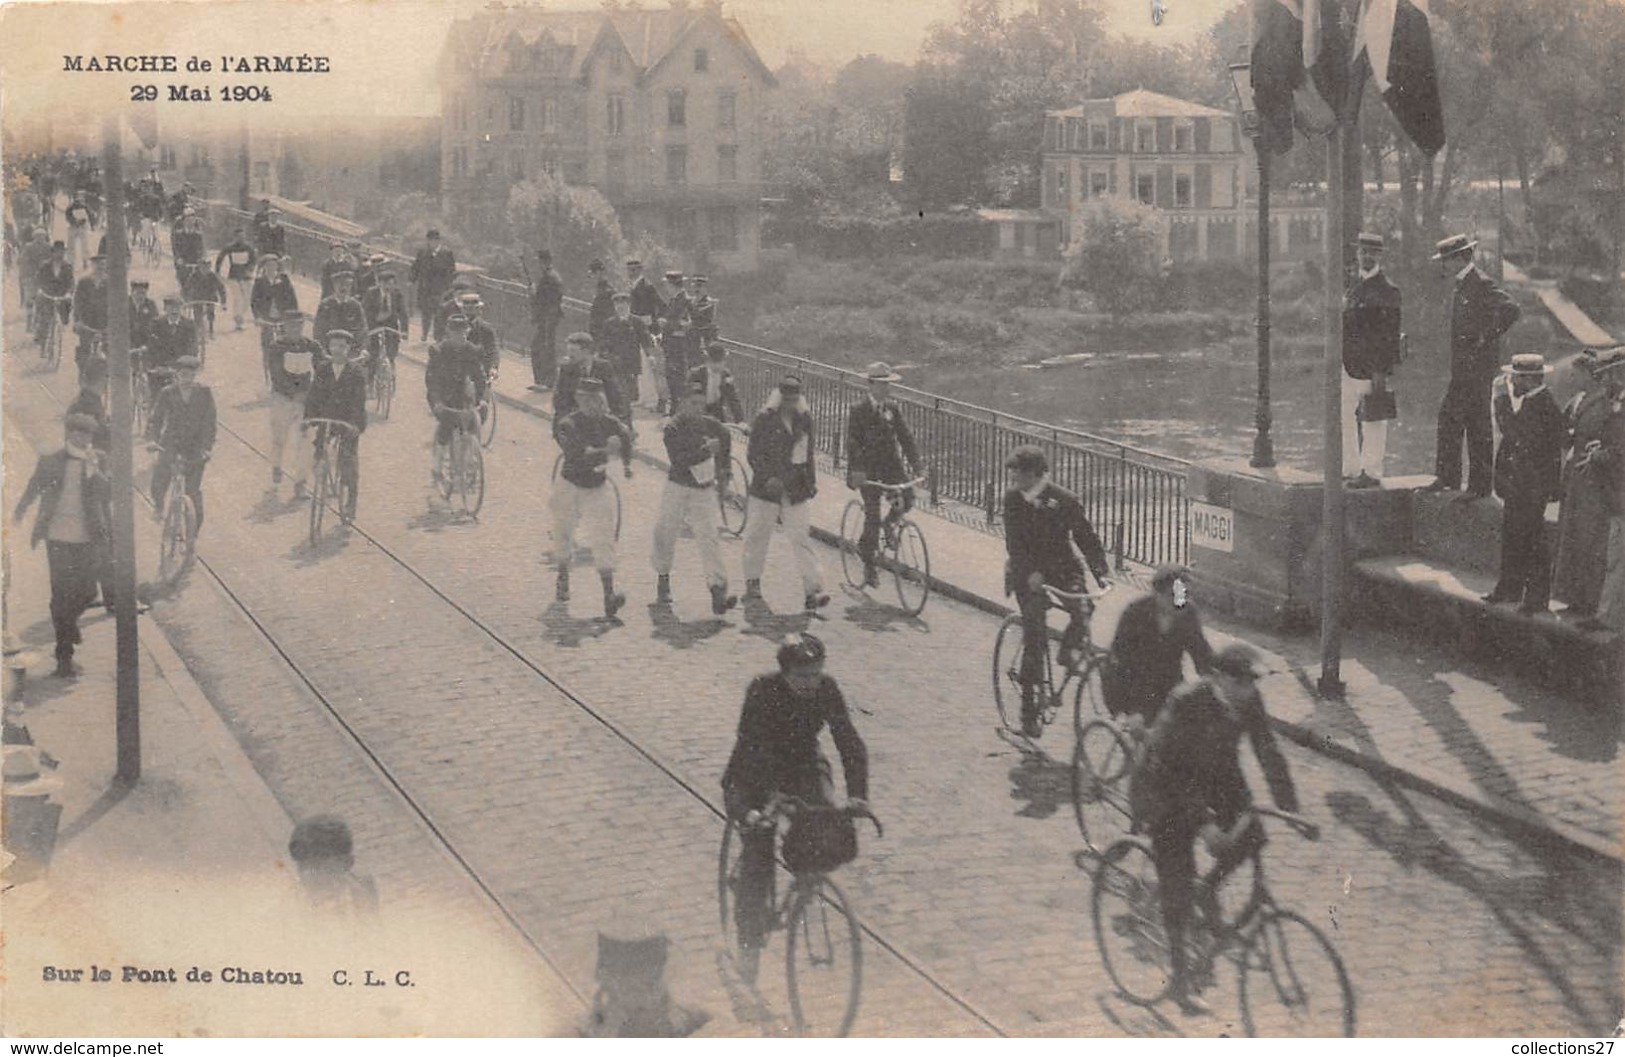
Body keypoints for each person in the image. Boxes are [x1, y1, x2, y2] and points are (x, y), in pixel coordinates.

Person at [1129, 643, 1303, 1016]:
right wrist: (1205, 823)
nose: (1249, 689)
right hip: (1164, 789)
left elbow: (1267, 749)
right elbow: (1170, 769)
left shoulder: (1248, 701)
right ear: (1220, 678)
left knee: (1252, 832)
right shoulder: (1187, 701)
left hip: (1216, 779)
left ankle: (1207, 891)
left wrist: (1293, 811)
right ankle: (1178, 982)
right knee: (1177, 881)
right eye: (1241, 681)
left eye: (1253, 682)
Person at [720, 633, 869, 983]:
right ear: (784, 673)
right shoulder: (762, 690)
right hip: (756, 770)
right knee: (759, 847)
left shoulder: (826, 689)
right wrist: (759, 806)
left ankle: (806, 877)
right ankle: (748, 945)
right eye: (802, 676)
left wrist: (859, 795)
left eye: (816, 674)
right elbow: (748, 749)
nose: (810, 683)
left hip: (803, 764)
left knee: (824, 820)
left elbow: (848, 741)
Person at [1001, 444, 1112, 738]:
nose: (1014, 478)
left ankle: (1067, 651)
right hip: (1027, 575)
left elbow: (1086, 538)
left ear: (1036, 474)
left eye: (1020, 473)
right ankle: (1027, 711)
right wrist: (1030, 573)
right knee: (1035, 634)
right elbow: (1014, 545)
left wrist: (1102, 574)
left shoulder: (1065, 500)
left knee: (1085, 608)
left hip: (1063, 569)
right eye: (1013, 472)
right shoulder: (1012, 500)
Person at [13, 413, 111, 678]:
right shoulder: (52, 461)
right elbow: (34, 487)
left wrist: (95, 472)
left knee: (89, 592)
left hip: (87, 537)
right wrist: (20, 511)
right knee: (60, 595)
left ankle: (68, 625)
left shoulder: (98, 459)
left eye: (88, 435)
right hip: (57, 537)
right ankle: (64, 656)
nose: (83, 439)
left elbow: (108, 494)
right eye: (78, 433)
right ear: (69, 434)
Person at [1423, 234, 1522, 498]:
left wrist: (1486, 335)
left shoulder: (1479, 282)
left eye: (1446, 260)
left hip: (1477, 368)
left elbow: (1511, 309)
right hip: (1464, 368)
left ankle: (1476, 485)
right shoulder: (1463, 284)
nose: (1443, 265)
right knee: (1453, 418)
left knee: (1474, 422)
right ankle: (1450, 478)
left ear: (1459, 258)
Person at [1482, 354, 1565, 615]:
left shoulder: (1542, 405)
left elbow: (1514, 432)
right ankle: (1510, 588)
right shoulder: (1535, 402)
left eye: (1516, 377)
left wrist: (1500, 399)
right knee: (1514, 536)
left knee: (1532, 541)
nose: (1511, 382)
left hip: (1531, 488)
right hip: (1522, 485)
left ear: (1529, 379)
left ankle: (1536, 598)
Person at [653, 371, 739, 615]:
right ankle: (663, 578)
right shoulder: (672, 428)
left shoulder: (712, 426)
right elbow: (679, 460)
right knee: (664, 532)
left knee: (709, 538)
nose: (698, 408)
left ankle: (717, 590)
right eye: (693, 403)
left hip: (703, 489)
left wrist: (725, 473)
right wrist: (705, 450)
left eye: (702, 404)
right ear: (682, 403)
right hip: (678, 487)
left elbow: (725, 439)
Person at [741, 374, 829, 613]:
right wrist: (767, 476)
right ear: (780, 398)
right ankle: (752, 581)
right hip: (766, 488)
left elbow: (807, 454)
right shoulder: (764, 419)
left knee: (800, 537)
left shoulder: (805, 420)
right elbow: (754, 454)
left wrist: (810, 482)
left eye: (794, 399)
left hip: (795, 487)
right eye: (787, 399)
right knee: (758, 534)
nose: (791, 404)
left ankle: (813, 590)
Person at [1554, 348, 1625, 630]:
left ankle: (1597, 609)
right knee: (1584, 541)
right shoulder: (1604, 401)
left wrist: (1597, 454)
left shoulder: (1610, 404)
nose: (1606, 378)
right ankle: (1586, 603)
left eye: (1608, 373)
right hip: (1588, 479)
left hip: (1601, 485)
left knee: (1598, 545)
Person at [552, 376, 634, 618]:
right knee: (564, 531)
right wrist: (607, 451)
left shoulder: (609, 423)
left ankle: (608, 593)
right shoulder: (569, 424)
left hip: (596, 487)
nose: (592, 405)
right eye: (586, 400)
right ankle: (563, 574)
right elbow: (578, 454)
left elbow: (626, 438)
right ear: (578, 400)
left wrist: (627, 460)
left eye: (597, 400)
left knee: (603, 536)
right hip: (570, 485)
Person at [845, 361, 922, 589]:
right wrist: (857, 469)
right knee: (872, 516)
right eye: (881, 385)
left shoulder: (892, 408)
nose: (886, 389)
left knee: (907, 498)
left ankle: (889, 525)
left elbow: (905, 437)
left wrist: (917, 465)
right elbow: (852, 442)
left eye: (888, 385)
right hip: (867, 471)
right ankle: (868, 564)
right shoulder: (858, 410)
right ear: (870, 385)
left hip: (891, 467)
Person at [1105, 564, 1213, 725]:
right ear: (1157, 593)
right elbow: (1118, 662)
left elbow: (1201, 653)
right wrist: (1126, 710)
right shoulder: (1135, 613)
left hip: (1169, 684)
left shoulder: (1187, 613)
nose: (1179, 602)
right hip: (1133, 687)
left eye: (1184, 595)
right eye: (1172, 595)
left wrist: (1216, 685)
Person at [1341, 232, 1403, 488]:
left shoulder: (1388, 290)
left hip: (1371, 367)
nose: (1367, 256)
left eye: (1372, 252)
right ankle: (1351, 467)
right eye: (1363, 251)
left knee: (1374, 418)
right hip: (1348, 364)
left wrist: (1381, 371)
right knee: (1344, 416)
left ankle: (1372, 471)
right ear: (1357, 254)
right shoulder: (1353, 286)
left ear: (1380, 255)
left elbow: (1389, 335)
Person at [146, 355, 217, 532]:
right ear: (176, 375)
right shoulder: (167, 393)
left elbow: (210, 422)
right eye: (183, 374)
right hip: (171, 442)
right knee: (161, 474)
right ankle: (159, 505)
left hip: (196, 446)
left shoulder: (204, 393)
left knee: (193, 493)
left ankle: (193, 538)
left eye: (190, 375)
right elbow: (156, 419)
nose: (186, 379)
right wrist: (153, 440)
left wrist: (207, 448)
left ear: (196, 375)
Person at [304, 330, 369, 523]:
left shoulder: (356, 372)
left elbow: (359, 401)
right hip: (328, 419)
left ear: (348, 349)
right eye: (334, 346)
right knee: (319, 450)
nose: (337, 350)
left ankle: (351, 499)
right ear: (329, 348)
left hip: (349, 422)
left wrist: (355, 425)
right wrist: (309, 418)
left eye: (342, 346)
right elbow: (314, 395)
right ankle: (321, 478)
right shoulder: (323, 369)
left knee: (349, 461)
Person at [425, 314, 487, 488]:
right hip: (442, 394)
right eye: (456, 333)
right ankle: (437, 466)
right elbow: (432, 380)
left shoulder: (472, 350)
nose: (461, 336)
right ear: (449, 332)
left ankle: (470, 456)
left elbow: (480, 377)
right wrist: (437, 401)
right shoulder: (438, 351)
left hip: (462, 395)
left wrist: (482, 399)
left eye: (464, 332)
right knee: (447, 422)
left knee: (475, 420)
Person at [267, 313, 319, 498]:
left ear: (303, 325)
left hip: (303, 401)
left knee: (304, 441)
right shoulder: (276, 347)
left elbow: (321, 369)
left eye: (298, 325)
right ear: (284, 327)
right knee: (279, 438)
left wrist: (311, 393)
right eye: (290, 326)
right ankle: (276, 466)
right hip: (282, 398)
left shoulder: (311, 346)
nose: (295, 330)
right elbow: (276, 375)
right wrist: (293, 393)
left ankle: (300, 482)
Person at [287, 815, 379, 918]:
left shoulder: (362, 890)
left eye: (319, 865)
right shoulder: (289, 903)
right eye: (302, 864)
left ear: (346, 862)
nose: (307, 873)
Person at [553, 332, 629, 427]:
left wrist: (619, 422)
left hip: (601, 419)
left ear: (586, 351)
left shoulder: (604, 367)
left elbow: (616, 396)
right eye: (568, 351)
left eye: (573, 351)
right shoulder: (566, 368)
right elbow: (560, 399)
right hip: (576, 421)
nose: (569, 355)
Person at [598, 291, 653, 407]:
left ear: (629, 305)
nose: (620, 308)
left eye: (623, 305)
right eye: (617, 305)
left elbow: (645, 339)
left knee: (631, 386)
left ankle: (628, 406)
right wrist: (604, 355)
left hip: (631, 359)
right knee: (616, 385)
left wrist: (650, 355)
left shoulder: (636, 322)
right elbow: (603, 342)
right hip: (614, 359)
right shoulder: (609, 323)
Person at [253, 254, 301, 382]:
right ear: (264, 267)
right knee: (267, 344)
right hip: (267, 318)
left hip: (283, 317)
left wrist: (293, 315)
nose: (271, 268)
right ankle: (268, 372)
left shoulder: (284, 279)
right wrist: (257, 317)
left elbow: (292, 298)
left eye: (273, 265)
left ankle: (289, 373)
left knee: (287, 344)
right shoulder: (259, 282)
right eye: (268, 265)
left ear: (277, 267)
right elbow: (254, 301)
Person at [363, 269, 409, 388]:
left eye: (391, 283)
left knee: (391, 353)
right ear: (379, 283)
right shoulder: (371, 293)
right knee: (373, 355)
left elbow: (403, 313)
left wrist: (404, 331)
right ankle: (371, 382)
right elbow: (364, 312)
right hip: (373, 326)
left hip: (390, 328)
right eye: (386, 283)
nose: (389, 286)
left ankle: (390, 374)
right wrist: (366, 329)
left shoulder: (397, 294)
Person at [410, 228, 456, 342]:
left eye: (435, 240)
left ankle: (437, 336)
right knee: (425, 313)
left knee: (439, 313)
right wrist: (411, 280)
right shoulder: (423, 252)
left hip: (440, 289)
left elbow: (451, 271)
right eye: (430, 241)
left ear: (439, 241)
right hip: (425, 288)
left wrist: (449, 287)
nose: (432, 243)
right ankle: (424, 333)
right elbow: (416, 267)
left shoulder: (447, 253)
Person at [529, 248, 564, 392]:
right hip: (549, 318)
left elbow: (544, 300)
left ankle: (545, 381)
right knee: (544, 348)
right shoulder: (552, 276)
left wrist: (533, 293)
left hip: (547, 318)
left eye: (540, 261)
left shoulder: (549, 278)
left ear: (544, 261)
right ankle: (545, 381)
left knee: (543, 348)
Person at [145, 296, 197, 393]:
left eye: (177, 307)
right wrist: (159, 365)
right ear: (165, 309)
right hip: (161, 365)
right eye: (171, 307)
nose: (174, 311)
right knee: (156, 390)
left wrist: (185, 362)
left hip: (181, 365)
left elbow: (193, 345)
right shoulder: (156, 323)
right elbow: (153, 346)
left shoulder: (189, 324)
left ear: (182, 308)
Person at [70, 253, 109, 380]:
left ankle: (108, 376)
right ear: (92, 266)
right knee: (84, 349)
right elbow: (77, 303)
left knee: (109, 350)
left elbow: (116, 303)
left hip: (105, 323)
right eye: (97, 265)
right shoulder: (84, 282)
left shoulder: (110, 282)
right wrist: (77, 321)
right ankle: (82, 372)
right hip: (87, 322)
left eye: (103, 265)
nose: (100, 268)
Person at [660, 271, 693, 417]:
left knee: (677, 377)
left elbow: (686, 324)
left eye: (667, 284)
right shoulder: (675, 299)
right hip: (672, 344)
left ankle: (677, 409)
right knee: (672, 377)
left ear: (672, 285)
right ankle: (674, 407)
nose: (666, 287)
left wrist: (666, 324)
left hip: (679, 346)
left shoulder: (685, 300)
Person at [213, 226, 258, 330]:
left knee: (248, 297)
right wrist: (218, 272)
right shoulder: (229, 248)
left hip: (246, 276)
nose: (240, 238)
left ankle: (239, 314)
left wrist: (250, 269)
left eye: (242, 236)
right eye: (238, 236)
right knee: (238, 297)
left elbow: (254, 260)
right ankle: (238, 321)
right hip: (233, 276)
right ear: (234, 237)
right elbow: (220, 259)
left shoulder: (248, 247)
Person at [33, 240, 74, 350]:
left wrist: (69, 293)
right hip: (47, 294)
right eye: (57, 252)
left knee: (67, 306)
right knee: (44, 319)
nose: (60, 254)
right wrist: (40, 290)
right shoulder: (45, 265)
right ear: (53, 252)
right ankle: (42, 343)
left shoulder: (68, 266)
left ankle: (63, 324)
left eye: (62, 252)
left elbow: (71, 282)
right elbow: (38, 279)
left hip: (61, 295)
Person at [315, 270, 366, 348]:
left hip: (349, 348)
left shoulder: (356, 306)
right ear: (334, 285)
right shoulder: (326, 305)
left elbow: (362, 329)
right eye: (340, 284)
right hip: (328, 348)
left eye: (347, 285)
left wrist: (354, 345)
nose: (344, 288)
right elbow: (318, 328)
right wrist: (324, 347)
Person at [698, 342, 744, 424]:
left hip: (716, 414)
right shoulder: (697, 374)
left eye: (720, 362)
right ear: (707, 360)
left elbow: (733, 399)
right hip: (698, 414)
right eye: (714, 362)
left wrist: (740, 421)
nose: (717, 366)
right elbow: (690, 398)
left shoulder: (726, 375)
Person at [179, 261, 226, 341]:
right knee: (197, 315)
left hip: (210, 298)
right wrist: (186, 299)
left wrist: (223, 302)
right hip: (197, 298)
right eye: (203, 268)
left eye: (207, 268)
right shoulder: (194, 276)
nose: (205, 270)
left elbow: (221, 289)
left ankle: (211, 330)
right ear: (199, 268)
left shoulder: (213, 277)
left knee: (210, 313)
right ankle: (197, 332)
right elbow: (186, 288)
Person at [18, 229, 50, 332]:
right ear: (34, 237)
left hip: (44, 279)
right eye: (37, 237)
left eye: (42, 236)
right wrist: (26, 276)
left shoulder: (49, 247)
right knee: (30, 301)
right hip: (31, 277)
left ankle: (41, 322)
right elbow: (22, 262)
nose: (40, 239)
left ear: (45, 237)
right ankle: (29, 322)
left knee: (44, 301)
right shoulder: (28, 247)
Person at [171, 210, 206, 281]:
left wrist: (202, 258)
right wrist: (178, 258)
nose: (190, 223)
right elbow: (175, 248)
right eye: (187, 220)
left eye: (192, 220)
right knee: (182, 275)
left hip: (195, 259)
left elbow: (202, 247)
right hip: (183, 259)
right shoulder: (179, 234)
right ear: (184, 221)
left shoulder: (198, 235)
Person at [586, 258, 615, 343]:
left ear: (598, 273)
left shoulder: (607, 292)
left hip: (604, 334)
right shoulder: (599, 289)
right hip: (597, 332)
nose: (591, 278)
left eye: (592, 275)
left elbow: (608, 315)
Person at [64, 191, 93, 268]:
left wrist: (86, 223)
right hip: (73, 227)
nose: (79, 200)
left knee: (84, 245)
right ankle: (71, 262)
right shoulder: (70, 207)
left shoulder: (85, 207)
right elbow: (67, 216)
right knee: (71, 245)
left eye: (80, 198)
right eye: (77, 197)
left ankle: (85, 261)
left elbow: (89, 216)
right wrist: (74, 221)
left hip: (82, 227)